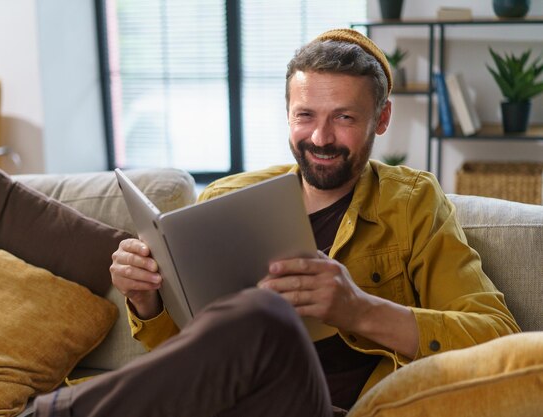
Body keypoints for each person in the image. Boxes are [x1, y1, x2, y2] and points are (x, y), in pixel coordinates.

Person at [34, 28, 519, 416]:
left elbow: (498, 336)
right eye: (305, 115)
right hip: (231, 403)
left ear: (382, 118)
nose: (321, 137)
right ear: (287, 114)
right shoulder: (228, 199)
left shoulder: (414, 202)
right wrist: (147, 302)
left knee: (266, 314)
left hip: (333, 406)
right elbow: (190, 358)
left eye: (345, 118)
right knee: (254, 318)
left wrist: (358, 309)